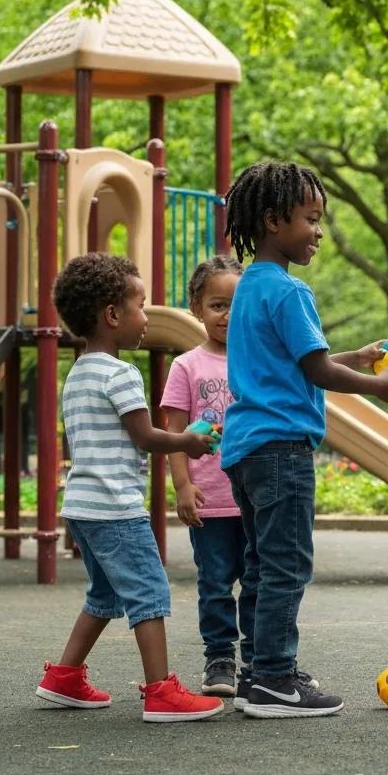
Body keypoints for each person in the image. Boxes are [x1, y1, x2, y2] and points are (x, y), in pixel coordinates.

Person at [221, 161, 388, 718]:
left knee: (260, 565)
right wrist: (381, 387)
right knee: (286, 565)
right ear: (274, 220)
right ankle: (276, 679)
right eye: (310, 218)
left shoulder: (249, 287)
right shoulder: (290, 291)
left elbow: (304, 362)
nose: (318, 231)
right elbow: (320, 374)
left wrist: (358, 356)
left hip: (247, 447)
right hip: (282, 448)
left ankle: (259, 671)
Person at [36, 253, 224, 723]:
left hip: (81, 505)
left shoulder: (78, 372)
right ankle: (161, 691)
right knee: (149, 591)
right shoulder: (121, 374)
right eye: (141, 305)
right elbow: (145, 436)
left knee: (104, 596)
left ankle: (63, 676)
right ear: (113, 315)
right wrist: (188, 441)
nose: (147, 317)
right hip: (116, 507)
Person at [161, 256, 252, 698]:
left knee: (257, 578)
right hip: (211, 498)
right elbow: (174, 433)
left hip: (254, 496)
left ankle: (258, 657)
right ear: (196, 307)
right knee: (215, 581)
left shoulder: (259, 361)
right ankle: (220, 658)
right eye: (217, 304)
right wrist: (182, 485)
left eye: (237, 304)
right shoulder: (187, 366)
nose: (228, 315)